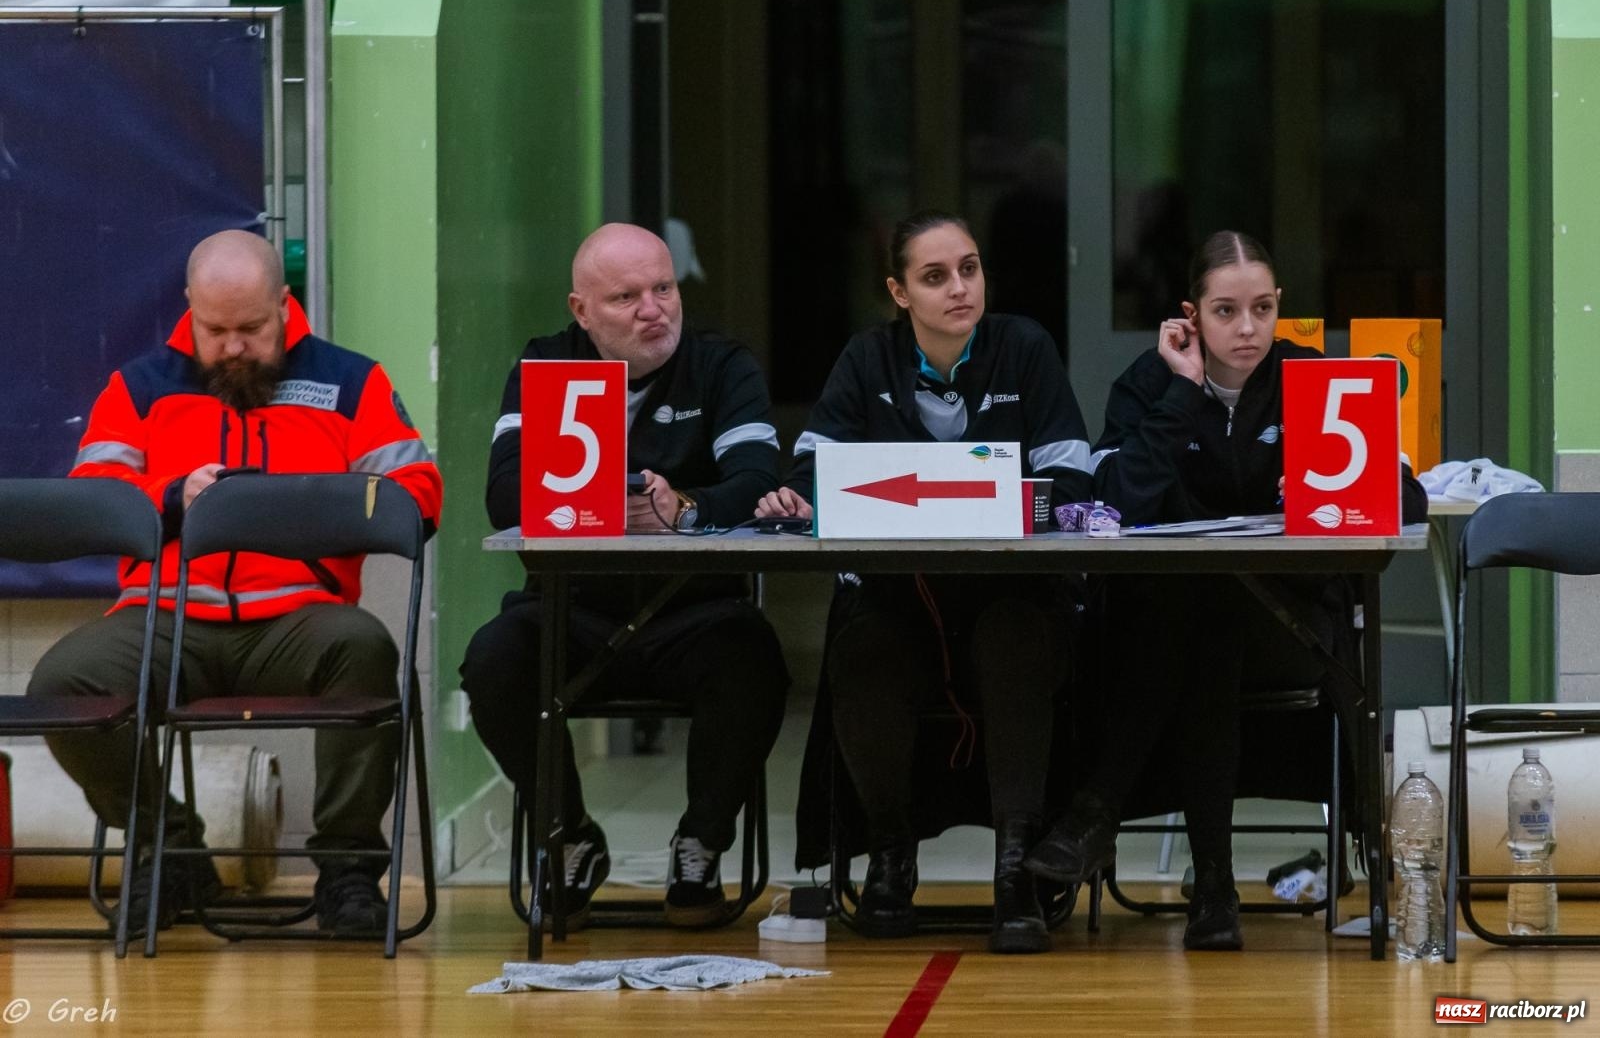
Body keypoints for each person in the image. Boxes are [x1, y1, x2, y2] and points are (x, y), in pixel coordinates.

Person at [28, 229, 444, 935]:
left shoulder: (352, 381)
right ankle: (172, 848)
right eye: (214, 329)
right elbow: (94, 499)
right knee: (62, 681)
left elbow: (418, 494)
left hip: (299, 620)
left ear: (285, 305)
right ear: (188, 305)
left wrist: (305, 506)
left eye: (251, 327)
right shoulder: (138, 388)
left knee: (366, 648)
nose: (231, 348)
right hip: (165, 618)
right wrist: (169, 498)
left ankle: (347, 873)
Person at [1024, 230, 1427, 950]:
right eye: (1226, 311)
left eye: (1264, 308)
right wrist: (1181, 393)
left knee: (1208, 611)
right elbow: (1110, 500)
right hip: (1166, 635)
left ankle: (1098, 814)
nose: (1248, 330)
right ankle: (1214, 891)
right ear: (1190, 316)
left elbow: (1410, 500)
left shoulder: (1315, 380)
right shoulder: (1148, 385)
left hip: (1291, 631)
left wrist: (1325, 487)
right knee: (1205, 616)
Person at [756, 210, 1093, 954]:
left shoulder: (1024, 347)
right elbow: (813, 469)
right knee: (864, 652)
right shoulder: (865, 359)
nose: (959, 288)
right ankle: (889, 852)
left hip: (1012, 593)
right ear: (898, 291)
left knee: (1015, 640)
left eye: (969, 269)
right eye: (935, 276)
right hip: (900, 596)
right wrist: (798, 496)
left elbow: (1074, 475)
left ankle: (1016, 869)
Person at [460, 222, 789, 928]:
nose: (654, 308)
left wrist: (688, 507)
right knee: (492, 661)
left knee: (756, 656)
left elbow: (760, 480)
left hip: (694, 611)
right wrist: (601, 496)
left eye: (664, 288)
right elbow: (504, 494)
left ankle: (700, 842)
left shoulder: (721, 364)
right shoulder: (545, 365)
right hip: (572, 610)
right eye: (627, 296)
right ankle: (570, 836)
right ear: (582, 311)